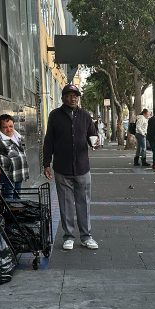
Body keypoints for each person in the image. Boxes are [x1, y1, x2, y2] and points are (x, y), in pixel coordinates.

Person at [43, 84, 100, 251]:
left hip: (82, 167)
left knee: (84, 203)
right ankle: (68, 236)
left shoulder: (85, 115)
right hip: (62, 167)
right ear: (62, 98)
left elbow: (94, 134)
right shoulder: (54, 116)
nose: (73, 98)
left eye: (75, 95)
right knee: (66, 204)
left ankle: (86, 236)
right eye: (69, 95)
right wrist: (47, 164)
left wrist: (95, 142)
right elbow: (49, 141)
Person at [0, 114, 29, 200]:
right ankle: (9, 213)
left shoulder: (17, 136)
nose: (9, 129)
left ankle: (15, 213)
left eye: (11, 126)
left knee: (17, 198)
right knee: (9, 200)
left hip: (18, 173)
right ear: (0, 128)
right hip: (7, 176)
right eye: (5, 127)